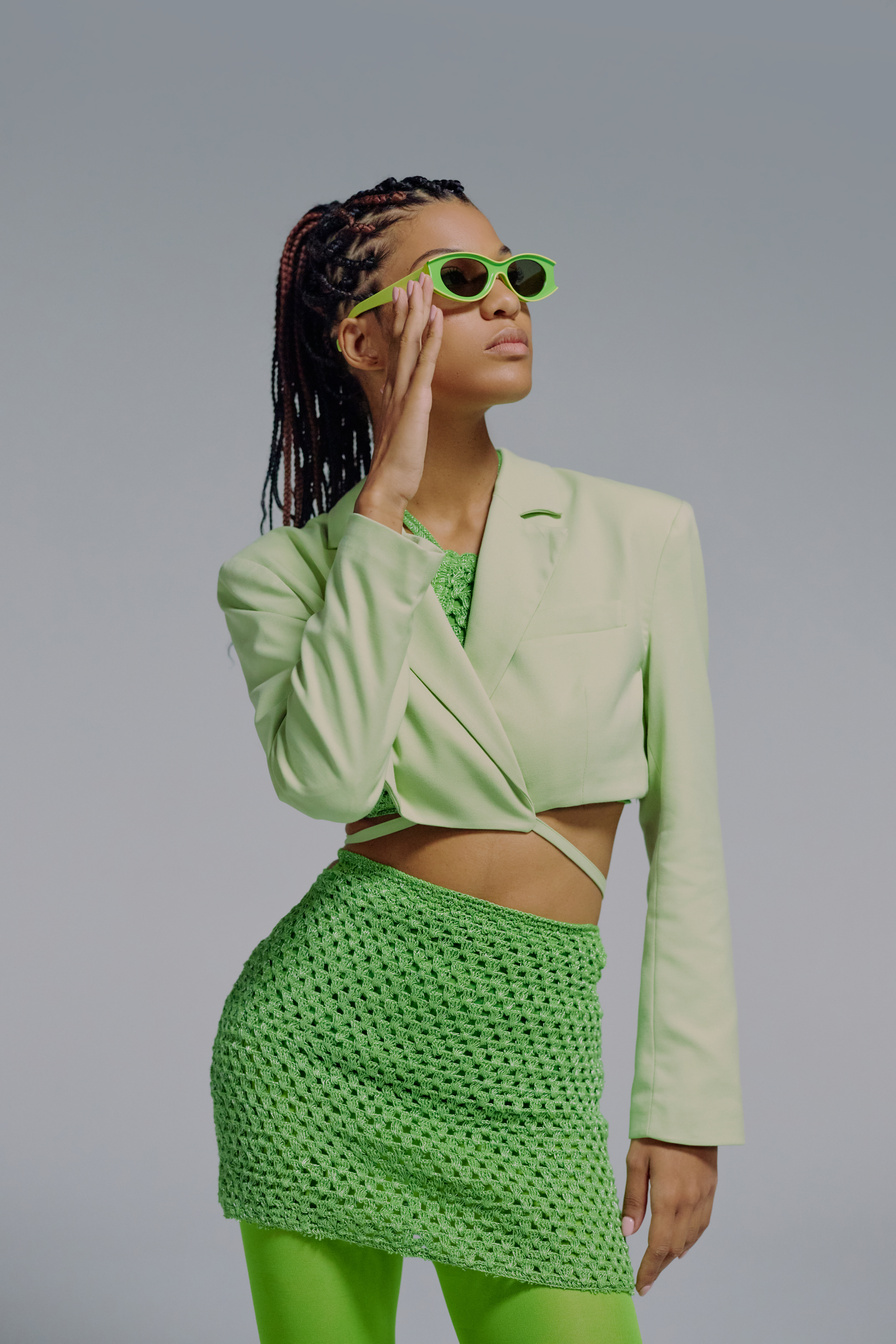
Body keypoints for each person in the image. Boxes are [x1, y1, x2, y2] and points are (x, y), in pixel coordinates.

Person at [211, 174, 744, 1344]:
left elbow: (688, 839)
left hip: (531, 1065)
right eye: (459, 281)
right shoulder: (282, 578)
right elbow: (330, 780)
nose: (508, 300)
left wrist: (684, 1104)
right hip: (318, 1054)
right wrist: (385, 505)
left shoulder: (639, 533)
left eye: (517, 273)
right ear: (364, 338)